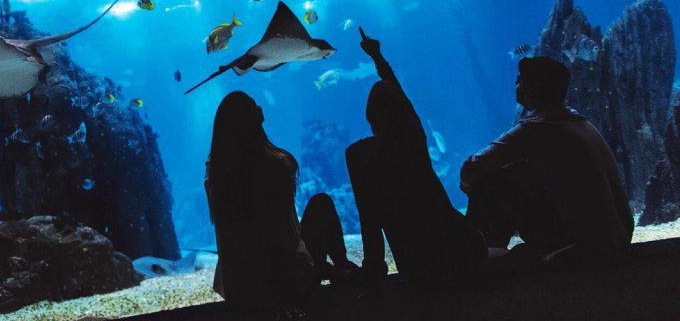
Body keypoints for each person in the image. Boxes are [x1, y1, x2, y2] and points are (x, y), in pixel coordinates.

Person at [460, 56, 633, 263]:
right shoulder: (580, 123)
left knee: (492, 182)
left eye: (520, 80)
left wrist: (476, 183)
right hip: (618, 238)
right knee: (513, 173)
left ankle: (475, 256)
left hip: (587, 247)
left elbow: (470, 169)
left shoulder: (538, 127)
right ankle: (488, 251)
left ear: (532, 89)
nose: (515, 84)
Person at [346, 28, 486, 282]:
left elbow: (369, 219)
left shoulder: (359, 155)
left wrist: (373, 270)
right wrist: (377, 57)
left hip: (417, 264)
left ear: (370, 116)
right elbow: (401, 99)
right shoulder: (413, 139)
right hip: (463, 247)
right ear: (404, 112)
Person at [205, 90, 357, 311]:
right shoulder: (275, 167)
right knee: (321, 204)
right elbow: (283, 238)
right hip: (285, 286)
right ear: (256, 119)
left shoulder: (215, 174)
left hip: (239, 291)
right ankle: (342, 267)